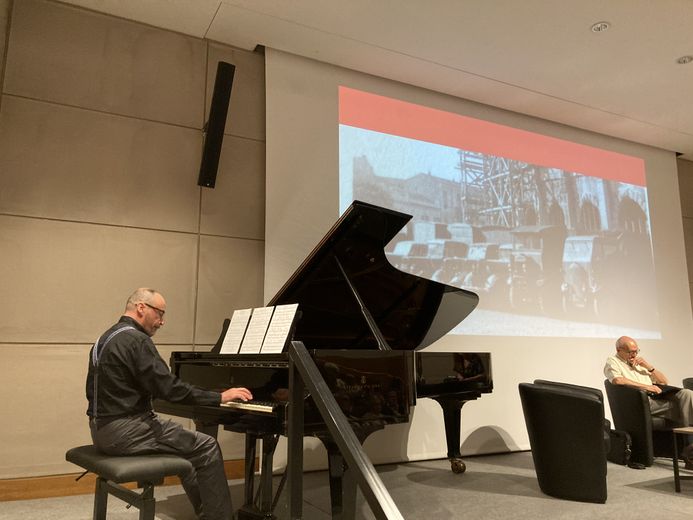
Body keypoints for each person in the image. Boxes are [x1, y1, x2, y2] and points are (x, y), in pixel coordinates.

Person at [86, 288, 253, 520]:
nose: (162, 321)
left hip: (100, 429)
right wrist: (219, 397)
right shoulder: (137, 340)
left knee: (186, 449)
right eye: (160, 313)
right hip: (124, 431)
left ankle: (208, 513)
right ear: (141, 307)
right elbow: (169, 389)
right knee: (207, 447)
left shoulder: (105, 337)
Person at [604, 335, 693, 467]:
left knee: (687, 395)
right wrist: (646, 386)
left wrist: (649, 367)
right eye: (630, 352)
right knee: (685, 408)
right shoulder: (613, 361)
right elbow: (617, 380)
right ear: (619, 350)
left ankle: (689, 448)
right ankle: (690, 453)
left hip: (655, 400)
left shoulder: (639, 364)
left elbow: (663, 381)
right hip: (639, 403)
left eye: (636, 351)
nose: (634, 354)